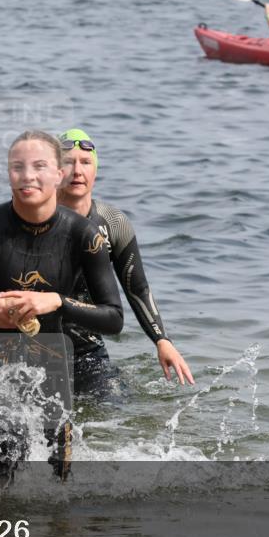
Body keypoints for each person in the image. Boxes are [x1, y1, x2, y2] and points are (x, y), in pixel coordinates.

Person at [0, 130, 123, 479]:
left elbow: (113, 318)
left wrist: (55, 301)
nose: (27, 175)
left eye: (39, 166)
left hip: (50, 359)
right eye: (18, 166)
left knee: (57, 478)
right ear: (8, 173)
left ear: (58, 175)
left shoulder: (85, 236)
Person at [56, 128, 194, 395]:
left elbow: (137, 287)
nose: (77, 171)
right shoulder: (33, 219)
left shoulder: (113, 222)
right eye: (68, 162)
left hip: (88, 351)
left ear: (96, 170)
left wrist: (161, 340)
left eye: (85, 162)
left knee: (114, 408)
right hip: (36, 347)